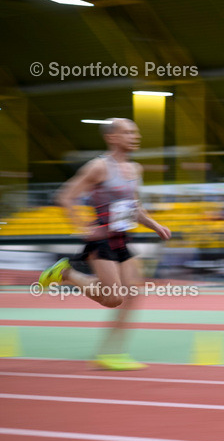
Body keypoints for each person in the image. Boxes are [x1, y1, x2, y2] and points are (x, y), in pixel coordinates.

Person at [36, 118, 172, 370]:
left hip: (122, 239)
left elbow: (135, 207)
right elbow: (64, 197)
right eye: (128, 132)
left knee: (132, 293)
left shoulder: (135, 169)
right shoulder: (98, 167)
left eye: (136, 131)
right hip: (101, 242)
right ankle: (66, 273)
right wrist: (82, 226)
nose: (135, 136)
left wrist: (155, 225)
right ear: (112, 138)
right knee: (113, 299)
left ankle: (113, 353)